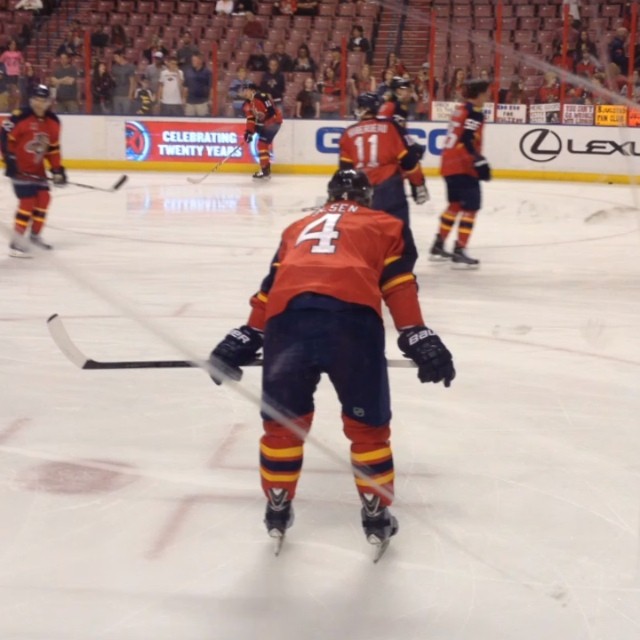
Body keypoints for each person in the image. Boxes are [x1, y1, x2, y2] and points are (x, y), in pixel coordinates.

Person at [208, 169, 455, 549]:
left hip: (286, 322)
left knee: (282, 426)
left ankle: (277, 505)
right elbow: (397, 283)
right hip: (351, 323)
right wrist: (415, 333)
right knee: (368, 430)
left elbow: (270, 288)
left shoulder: (297, 227)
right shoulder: (386, 223)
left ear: (329, 196)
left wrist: (246, 334)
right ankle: (375, 512)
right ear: (367, 198)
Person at [338, 92, 428, 270]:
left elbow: (344, 173)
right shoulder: (390, 127)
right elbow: (408, 161)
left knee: (366, 235)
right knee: (399, 234)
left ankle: (367, 267)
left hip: (363, 193)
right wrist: (418, 184)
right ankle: (399, 273)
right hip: (390, 189)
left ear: (363, 109)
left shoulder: (348, 133)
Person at [0, 84, 67, 258]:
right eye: (36, 99)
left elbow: (53, 149)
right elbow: (5, 138)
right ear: (31, 100)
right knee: (27, 202)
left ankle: (35, 236)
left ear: (48, 102)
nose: (39, 103)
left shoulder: (53, 122)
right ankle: (17, 240)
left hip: (38, 171)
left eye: (42, 100)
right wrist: (10, 160)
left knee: (44, 199)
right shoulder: (19, 117)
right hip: (19, 170)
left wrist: (57, 170)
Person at [430, 79, 491, 267]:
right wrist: (477, 159)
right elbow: (467, 136)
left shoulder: (460, 108)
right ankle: (460, 249)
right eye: (487, 93)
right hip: (463, 165)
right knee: (470, 208)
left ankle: (439, 244)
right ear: (479, 94)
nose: (488, 96)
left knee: (454, 205)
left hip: (448, 163)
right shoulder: (474, 112)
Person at [241, 81, 283, 180]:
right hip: (265, 124)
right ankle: (265, 171)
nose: (244, 92)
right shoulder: (247, 104)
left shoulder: (261, 97)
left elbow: (271, 111)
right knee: (262, 145)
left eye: (246, 90)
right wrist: (249, 132)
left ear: (252, 90)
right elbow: (251, 119)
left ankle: (265, 171)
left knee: (262, 144)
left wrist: (261, 125)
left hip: (274, 122)